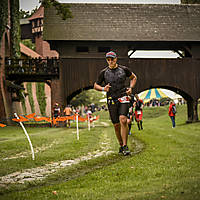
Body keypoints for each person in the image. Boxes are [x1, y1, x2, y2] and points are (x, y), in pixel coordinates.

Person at [94, 51, 137, 156]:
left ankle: (126, 146)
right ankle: (121, 145)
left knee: (123, 120)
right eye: (108, 59)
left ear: (116, 59)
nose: (110, 61)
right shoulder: (103, 72)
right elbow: (95, 85)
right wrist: (104, 88)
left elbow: (134, 78)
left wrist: (131, 88)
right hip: (111, 99)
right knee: (116, 125)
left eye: (112, 59)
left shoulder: (124, 69)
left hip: (123, 97)